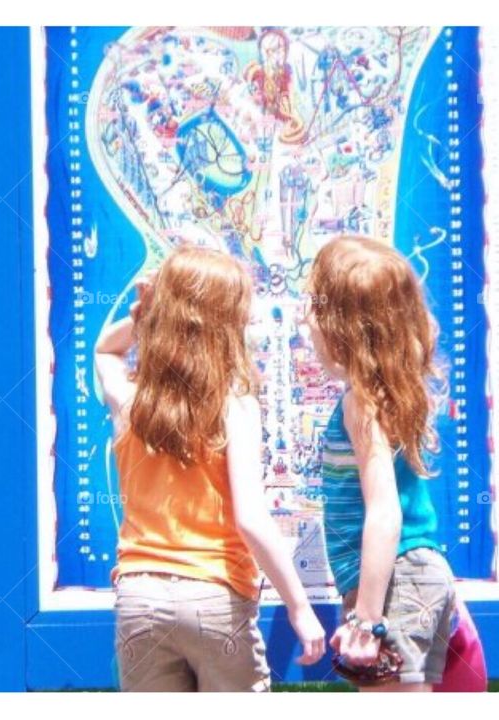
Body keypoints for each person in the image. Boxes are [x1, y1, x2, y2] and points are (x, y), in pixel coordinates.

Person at [95, 245, 325, 692]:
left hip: (139, 595)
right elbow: (251, 520)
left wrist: (147, 315)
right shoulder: (233, 407)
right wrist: (299, 606)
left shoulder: (131, 402)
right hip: (215, 594)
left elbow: (105, 351)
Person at [303, 235, 459, 691]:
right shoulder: (387, 391)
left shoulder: (361, 404)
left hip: (395, 583)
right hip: (415, 575)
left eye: (314, 304)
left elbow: (386, 511)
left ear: (340, 324)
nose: (305, 317)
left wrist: (367, 620)